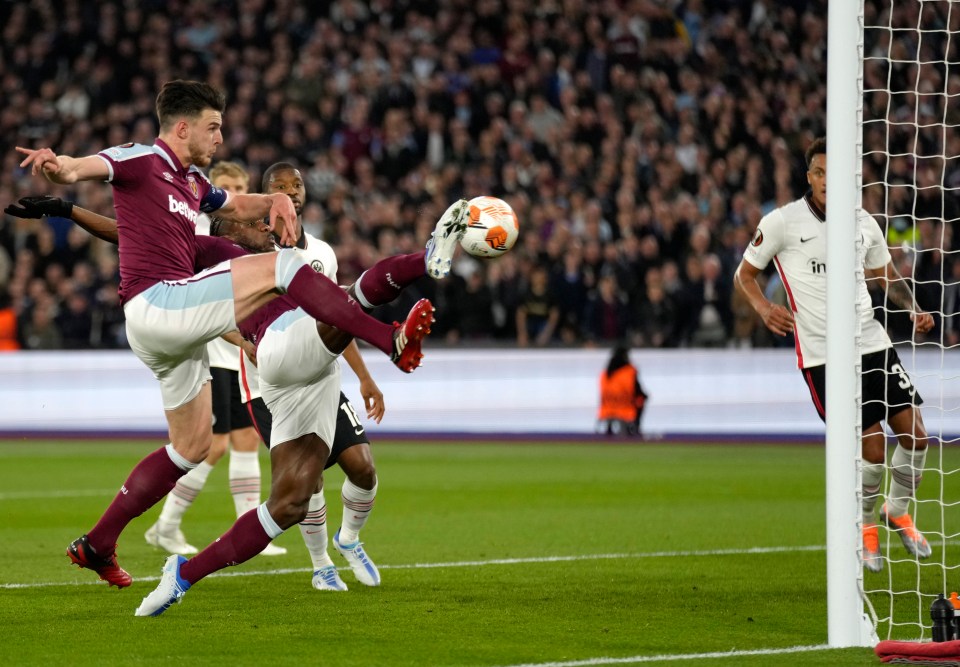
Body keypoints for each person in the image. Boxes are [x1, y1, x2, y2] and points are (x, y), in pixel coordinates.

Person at [13, 79, 468, 588]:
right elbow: (83, 168)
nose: (221, 138)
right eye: (214, 127)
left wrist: (276, 201)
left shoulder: (193, 187)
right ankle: (390, 340)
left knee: (190, 447)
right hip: (158, 302)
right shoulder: (142, 159)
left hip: (172, 329)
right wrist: (62, 168)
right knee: (284, 267)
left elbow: (236, 204)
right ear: (182, 127)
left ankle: (97, 544)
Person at [134, 192, 457, 616]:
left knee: (288, 504)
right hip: (279, 350)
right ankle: (394, 331)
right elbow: (128, 235)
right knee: (353, 301)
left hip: (319, 363)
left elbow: (336, 308)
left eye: (265, 220)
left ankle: (182, 575)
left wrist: (362, 376)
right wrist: (71, 210)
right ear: (227, 229)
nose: (263, 226)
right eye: (252, 222)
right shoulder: (215, 252)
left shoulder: (298, 251)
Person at [733, 136, 936, 573]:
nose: (826, 181)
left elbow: (886, 275)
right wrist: (765, 308)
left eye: (833, 173)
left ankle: (896, 510)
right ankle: (864, 528)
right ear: (809, 177)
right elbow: (745, 274)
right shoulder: (783, 222)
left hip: (871, 340)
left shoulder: (863, 222)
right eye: (819, 173)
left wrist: (915, 308)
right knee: (873, 448)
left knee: (917, 436)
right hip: (824, 354)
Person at [144, 161, 285, 557]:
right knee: (210, 446)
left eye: (241, 185)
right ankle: (165, 525)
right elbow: (196, 301)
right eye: (227, 186)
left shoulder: (248, 234)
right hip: (212, 352)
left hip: (238, 355)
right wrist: (240, 338)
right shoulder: (199, 233)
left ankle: (249, 530)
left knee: (244, 441)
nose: (236, 192)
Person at [596, 345, 648, 437]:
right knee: (642, 399)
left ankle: (609, 427)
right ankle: (636, 427)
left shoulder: (605, 373)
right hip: (624, 409)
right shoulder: (629, 371)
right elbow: (637, 392)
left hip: (606, 408)